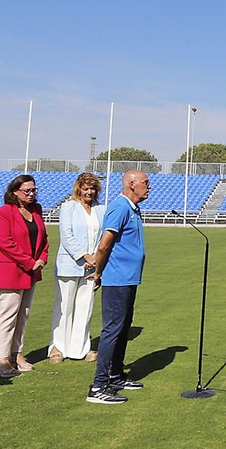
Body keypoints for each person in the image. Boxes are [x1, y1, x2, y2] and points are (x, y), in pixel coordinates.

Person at [86, 170, 151, 405]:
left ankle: (115, 376)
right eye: (145, 183)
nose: (149, 187)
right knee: (112, 330)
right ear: (132, 185)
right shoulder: (120, 207)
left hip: (128, 278)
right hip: (117, 279)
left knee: (123, 329)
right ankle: (98, 385)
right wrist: (98, 272)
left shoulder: (133, 209)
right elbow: (104, 245)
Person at [0, 174, 48, 379]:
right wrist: (31, 262)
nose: (31, 194)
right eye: (26, 191)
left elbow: (43, 238)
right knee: (7, 315)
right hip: (11, 270)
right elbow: (5, 243)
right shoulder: (4, 213)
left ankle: (16, 354)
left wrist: (42, 258)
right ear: (14, 191)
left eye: (34, 190)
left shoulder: (36, 211)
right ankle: (1, 359)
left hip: (31, 271)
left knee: (24, 314)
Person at [51, 172, 105, 362]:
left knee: (85, 306)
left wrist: (97, 259)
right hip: (69, 264)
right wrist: (85, 255)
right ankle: (58, 347)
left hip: (92, 267)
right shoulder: (69, 207)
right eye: (86, 188)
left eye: (92, 188)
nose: (89, 192)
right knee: (64, 306)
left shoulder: (101, 209)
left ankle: (80, 348)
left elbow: (103, 237)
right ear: (79, 189)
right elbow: (67, 236)